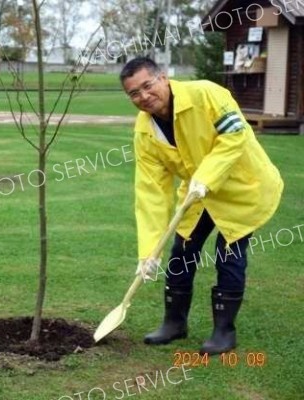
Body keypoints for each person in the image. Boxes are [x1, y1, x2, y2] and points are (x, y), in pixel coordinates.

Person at [120, 57, 283, 355]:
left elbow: (236, 134)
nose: (143, 96)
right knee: (182, 251)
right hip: (198, 193)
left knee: (228, 252)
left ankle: (224, 331)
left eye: (147, 85)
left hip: (242, 187)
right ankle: (174, 323)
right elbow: (151, 191)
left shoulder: (206, 94)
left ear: (164, 78)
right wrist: (147, 252)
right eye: (134, 93)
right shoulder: (144, 132)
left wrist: (207, 176)